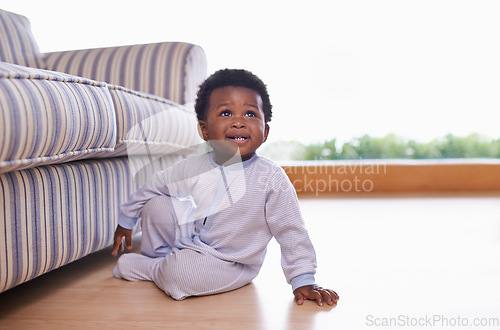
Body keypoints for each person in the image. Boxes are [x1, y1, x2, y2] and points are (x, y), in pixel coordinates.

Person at [111, 69, 339, 306]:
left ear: (266, 132)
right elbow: (156, 185)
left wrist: (303, 279)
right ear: (205, 130)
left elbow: (291, 231)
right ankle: (160, 259)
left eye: (250, 113)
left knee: (182, 276)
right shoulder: (196, 166)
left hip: (230, 263)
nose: (239, 122)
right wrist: (127, 219)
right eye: (226, 112)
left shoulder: (271, 178)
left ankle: (155, 268)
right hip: (194, 238)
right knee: (157, 204)